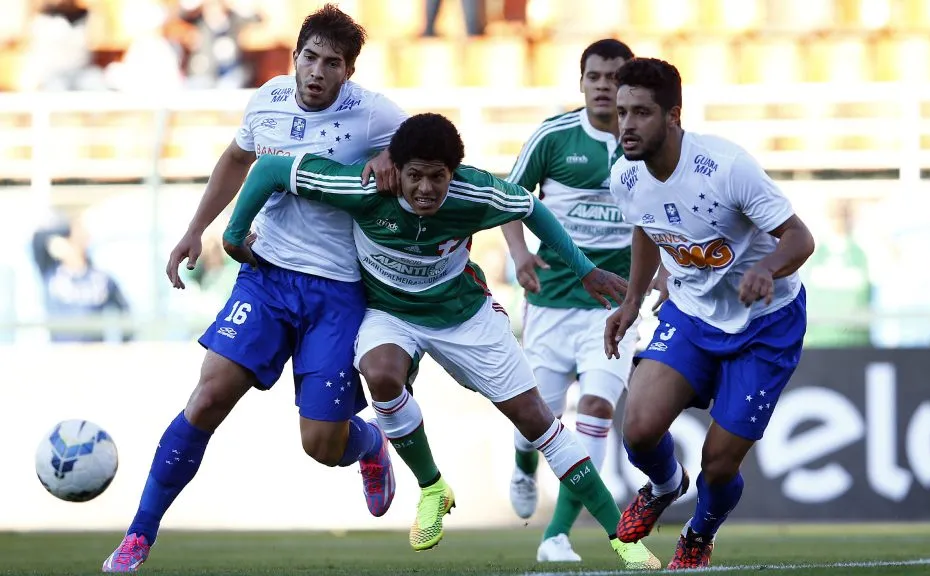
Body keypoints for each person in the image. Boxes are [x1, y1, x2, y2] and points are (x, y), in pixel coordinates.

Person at [221, 113, 662, 570]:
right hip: (390, 313)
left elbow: (531, 208)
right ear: (397, 169)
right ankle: (432, 486)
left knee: (536, 420)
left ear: (455, 173)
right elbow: (271, 170)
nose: (426, 188)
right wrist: (234, 235)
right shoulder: (364, 187)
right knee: (381, 374)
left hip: (463, 315)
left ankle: (622, 539)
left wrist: (584, 269)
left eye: (438, 177)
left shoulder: (477, 191)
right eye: (415, 176)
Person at [102, 6, 407, 572]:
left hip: (338, 293)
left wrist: (395, 153)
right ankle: (139, 534)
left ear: (348, 73)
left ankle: (369, 446)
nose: (317, 71)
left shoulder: (374, 115)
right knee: (209, 395)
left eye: (331, 63)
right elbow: (238, 158)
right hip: (265, 277)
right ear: (294, 58)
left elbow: (425, 149)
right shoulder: (266, 99)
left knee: (321, 444)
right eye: (309, 57)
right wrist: (196, 230)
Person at [603, 58, 815, 569]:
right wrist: (631, 302)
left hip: (766, 322)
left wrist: (766, 268)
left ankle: (700, 533)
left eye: (642, 113)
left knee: (718, 467)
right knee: (638, 429)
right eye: (622, 112)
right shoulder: (625, 177)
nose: (627, 125)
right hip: (693, 313)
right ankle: (663, 486)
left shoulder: (726, 167)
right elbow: (645, 228)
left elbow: (800, 237)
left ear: (674, 116)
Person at [501, 38, 638, 563]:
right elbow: (508, 201)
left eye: (614, 78)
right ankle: (523, 463)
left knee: (598, 409)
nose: (604, 86)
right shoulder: (554, 137)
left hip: (616, 309)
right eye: (595, 77)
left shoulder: (643, 141)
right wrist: (520, 256)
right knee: (537, 418)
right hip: (552, 305)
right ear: (581, 82)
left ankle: (556, 535)